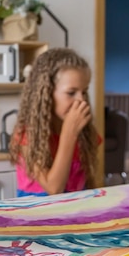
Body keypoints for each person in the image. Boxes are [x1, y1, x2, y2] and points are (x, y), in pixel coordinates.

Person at [9, 48, 100, 197]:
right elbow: (54, 189)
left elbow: (89, 183)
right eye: (71, 93)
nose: (81, 100)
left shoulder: (86, 133)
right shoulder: (28, 136)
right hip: (38, 216)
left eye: (84, 91)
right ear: (46, 93)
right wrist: (69, 134)